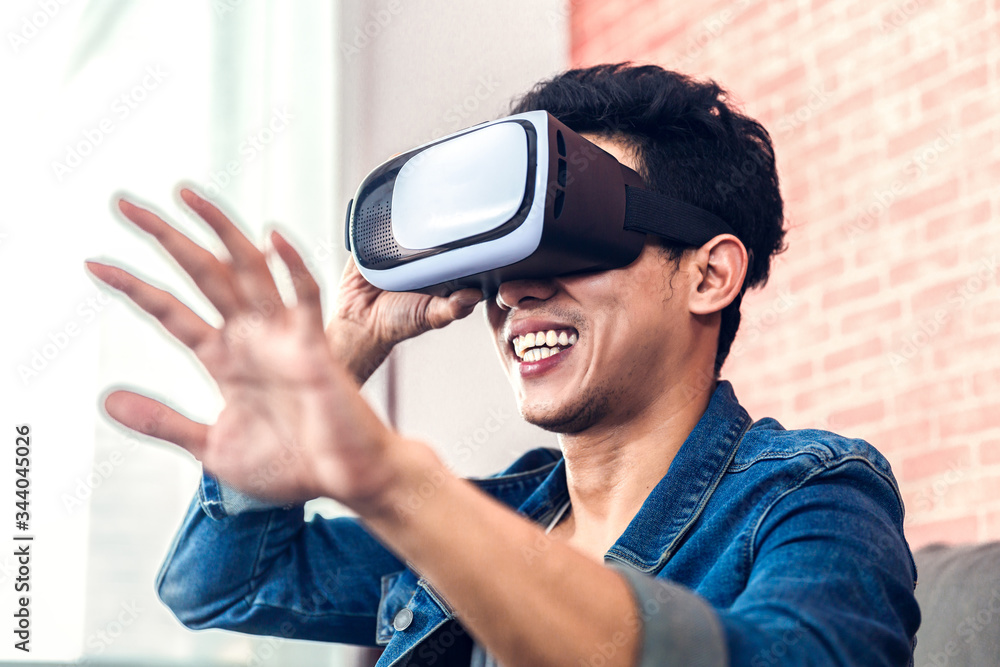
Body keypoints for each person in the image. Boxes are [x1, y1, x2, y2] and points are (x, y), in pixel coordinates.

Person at [88, 63, 920, 666]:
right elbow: (221, 585)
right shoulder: (499, 512)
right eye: (501, 261)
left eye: (570, 239)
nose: (516, 291)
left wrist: (394, 482)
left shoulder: (810, 495)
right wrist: (344, 353)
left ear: (709, 275)